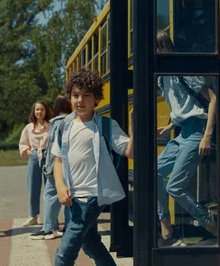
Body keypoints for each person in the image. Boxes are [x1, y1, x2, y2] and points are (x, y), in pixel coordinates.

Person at [51, 69, 134, 266]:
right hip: (71, 198)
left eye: (86, 96)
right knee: (91, 244)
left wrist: (134, 126)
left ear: (96, 99)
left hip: (91, 196)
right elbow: (58, 160)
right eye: (76, 95)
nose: (80, 100)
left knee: (64, 254)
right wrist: (60, 186)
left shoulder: (106, 126)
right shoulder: (64, 126)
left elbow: (129, 152)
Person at [155, 31, 218, 246]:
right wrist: (171, 125)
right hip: (182, 133)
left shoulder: (182, 72)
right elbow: (183, 108)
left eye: (155, 50)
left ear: (163, 49)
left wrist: (207, 136)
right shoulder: (162, 78)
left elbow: (212, 100)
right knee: (153, 174)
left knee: (174, 186)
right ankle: (165, 221)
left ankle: (209, 223)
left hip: (197, 132)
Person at [30, 95, 73, 240]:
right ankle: (68, 226)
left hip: (58, 165)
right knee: (68, 196)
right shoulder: (74, 120)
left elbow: (53, 149)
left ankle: (48, 228)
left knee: (49, 194)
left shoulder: (57, 123)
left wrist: (48, 169)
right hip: (71, 165)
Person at [19, 100, 54, 227]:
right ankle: (33, 216)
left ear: (46, 111)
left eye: (42, 109)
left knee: (50, 188)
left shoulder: (51, 126)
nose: (39, 112)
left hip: (49, 157)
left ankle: (50, 217)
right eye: (37, 109)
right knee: (33, 186)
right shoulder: (28, 128)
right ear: (34, 111)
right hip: (34, 156)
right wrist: (29, 153)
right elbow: (23, 143)